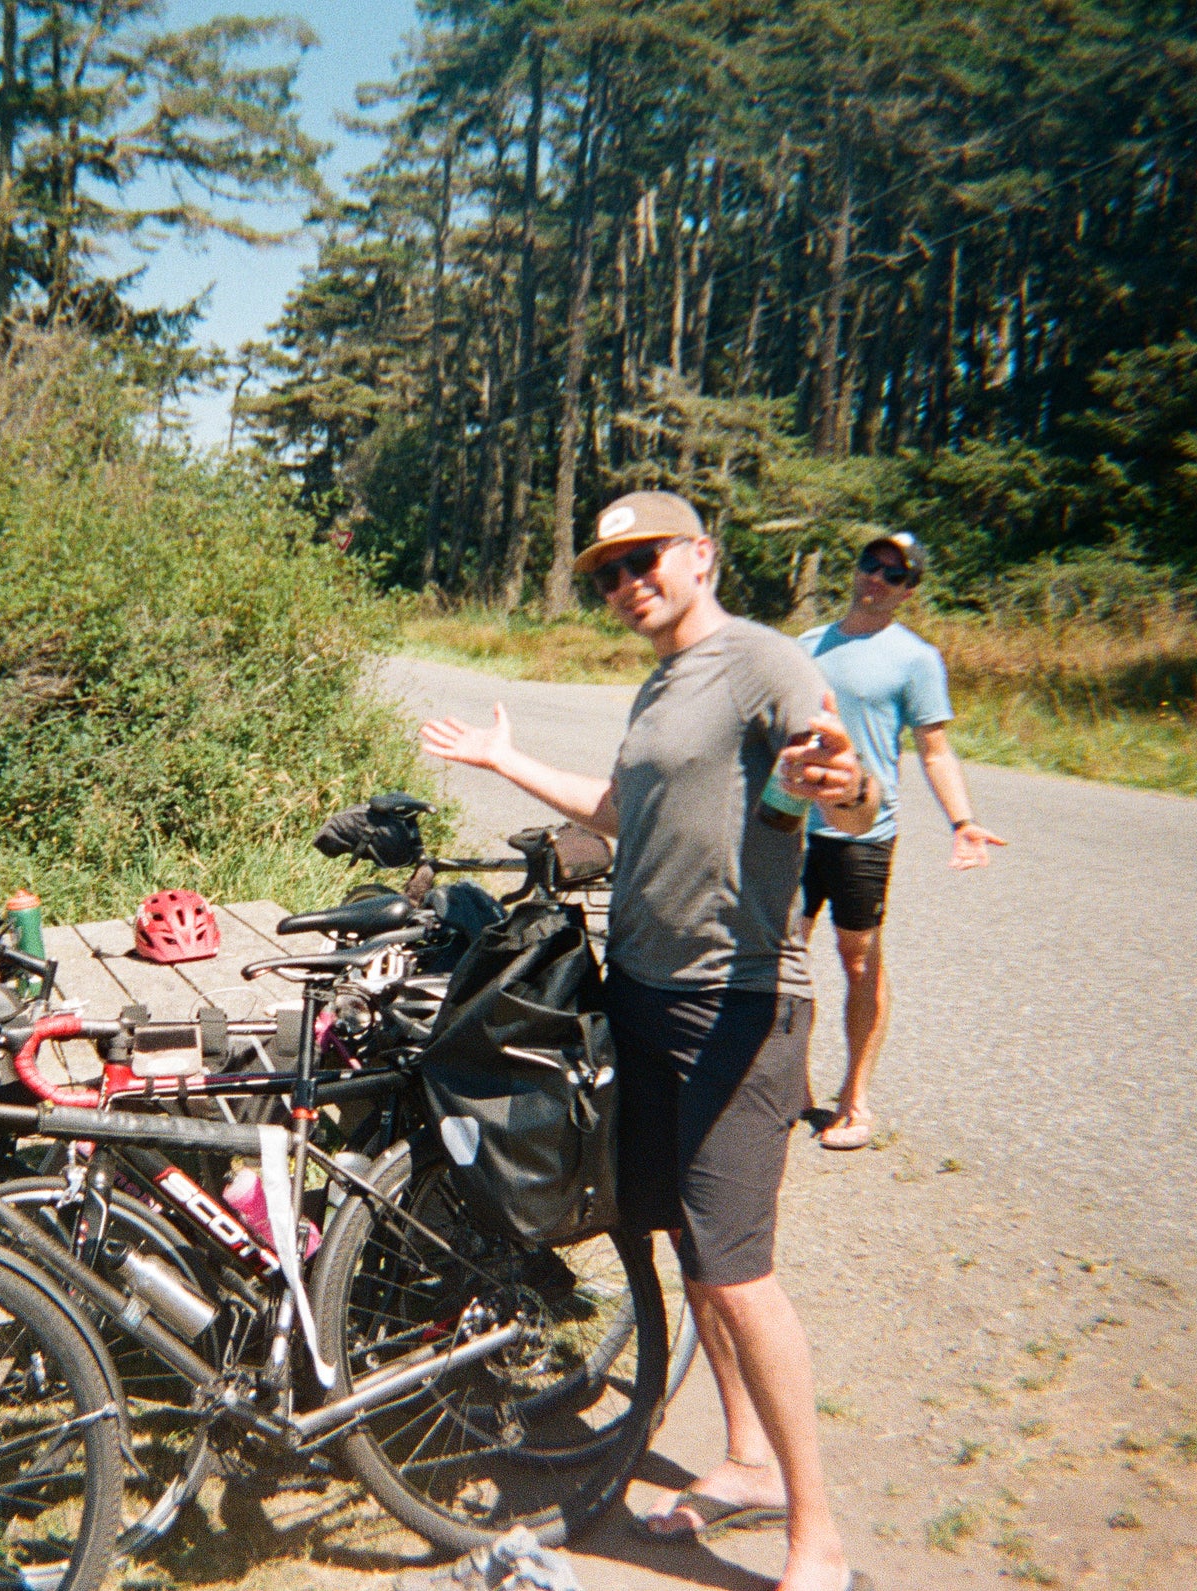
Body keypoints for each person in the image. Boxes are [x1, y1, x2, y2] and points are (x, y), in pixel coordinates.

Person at [421, 491, 877, 1591]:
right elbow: (620, 814)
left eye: (645, 560)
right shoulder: (661, 681)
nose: (627, 582)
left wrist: (845, 787)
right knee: (683, 1240)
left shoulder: (764, 663)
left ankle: (819, 1537)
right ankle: (747, 1461)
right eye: (608, 571)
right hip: (647, 994)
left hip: (737, 1000)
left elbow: (844, 793)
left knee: (740, 1266)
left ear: (702, 556)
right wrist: (502, 762)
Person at [799, 532, 1005, 1151]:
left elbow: (934, 750)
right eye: (872, 565)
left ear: (910, 590)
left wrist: (962, 821)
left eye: (895, 575)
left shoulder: (916, 658)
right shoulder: (805, 646)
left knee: (857, 960)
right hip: (790, 829)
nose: (877, 580)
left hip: (864, 832)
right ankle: (780, 1087)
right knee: (778, 960)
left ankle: (855, 1098)